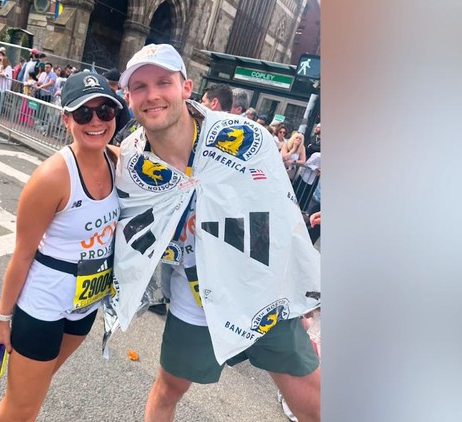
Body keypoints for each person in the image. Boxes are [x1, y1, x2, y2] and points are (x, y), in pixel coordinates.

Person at [111, 44, 321, 422]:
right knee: (167, 391)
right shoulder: (131, 160)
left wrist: (298, 294)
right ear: (128, 98)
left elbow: (282, 219)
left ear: (186, 87)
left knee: (318, 402)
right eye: (139, 87)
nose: (152, 94)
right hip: (196, 306)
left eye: (164, 82)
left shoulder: (242, 137)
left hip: (261, 297)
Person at [0, 71, 123, 421]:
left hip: (86, 303)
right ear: (66, 119)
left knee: (33, 395)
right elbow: (23, 254)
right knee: (21, 409)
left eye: (105, 111)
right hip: (44, 303)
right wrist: (2, 320)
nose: (96, 121)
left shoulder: (119, 162)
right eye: (83, 113)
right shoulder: (51, 177)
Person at [102, 68, 132, 141]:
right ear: (118, 85)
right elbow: (124, 125)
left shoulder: (97, 97)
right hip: (111, 144)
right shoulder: (121, 102)